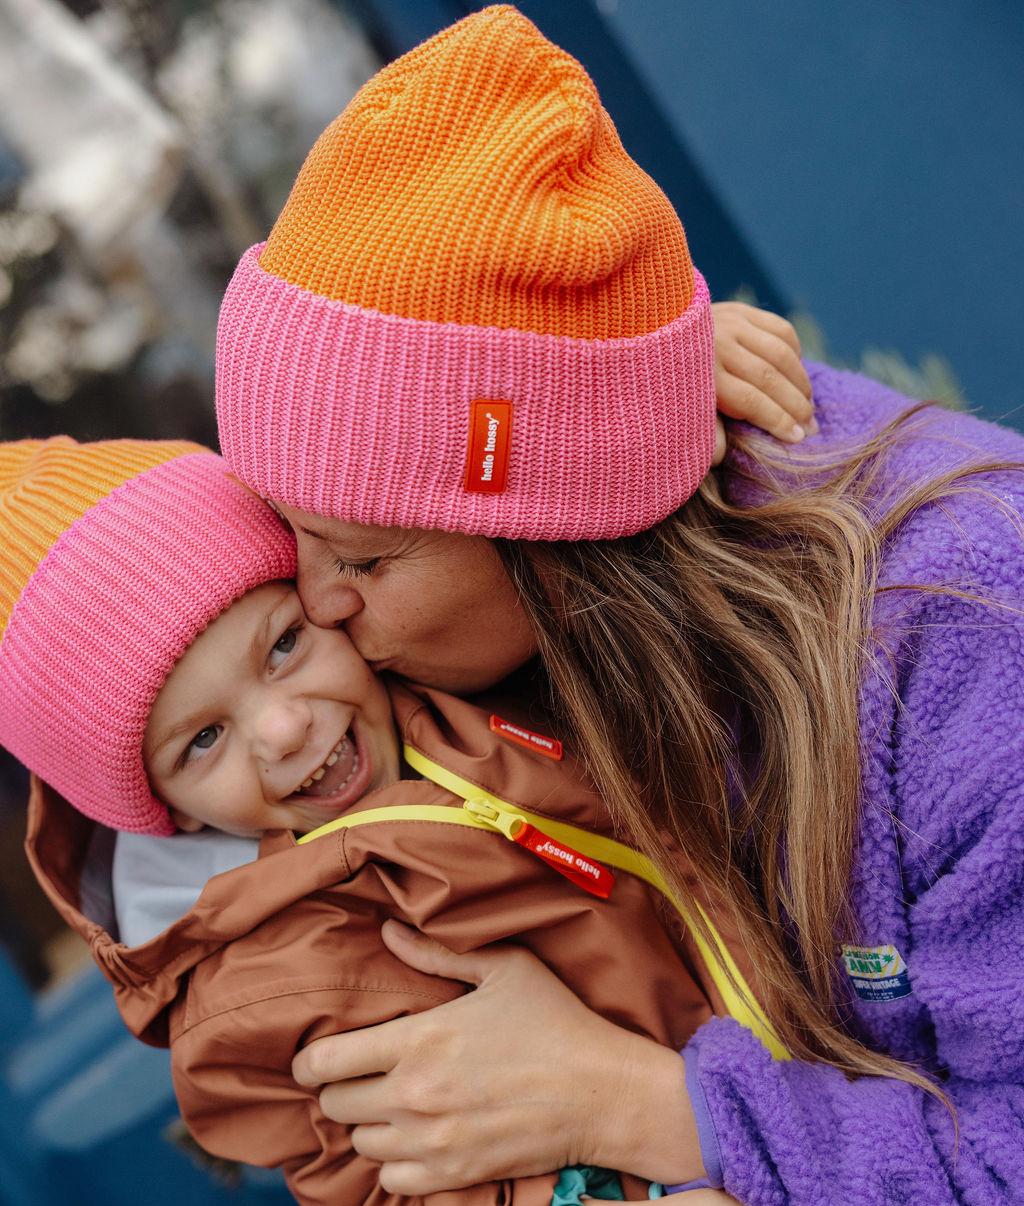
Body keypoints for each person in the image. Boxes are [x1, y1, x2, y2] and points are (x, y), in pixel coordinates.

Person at [212, 6, 1024, 1203]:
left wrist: (644, 1107)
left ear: (567, 535)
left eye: (366, 561)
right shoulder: (486, 654)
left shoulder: (961, 644)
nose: (313, 609)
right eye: (293, 539)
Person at [2, 437, 791, 1204]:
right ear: (162, 809)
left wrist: (681, 388)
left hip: (811, 1068)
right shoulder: (266, 979)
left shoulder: (454, 677)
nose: (282, 729)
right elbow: (390, 1175)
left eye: (282, 645)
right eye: (203, 741)